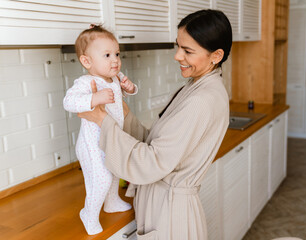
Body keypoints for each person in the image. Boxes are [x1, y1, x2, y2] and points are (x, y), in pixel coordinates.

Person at [78, 9, 232, 239]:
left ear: (216, 55)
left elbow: (151, 162)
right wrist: (119, 108)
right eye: (177, 46)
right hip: (166, 205)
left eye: (187, 51)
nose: (177, 56)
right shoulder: (196, 86)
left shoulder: (202, 99)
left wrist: (102, 119)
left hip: (169, 214)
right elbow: (156, 144)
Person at [63, 25, 137, 235]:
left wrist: (130, 89)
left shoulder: (115, 78)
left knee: (114, 171)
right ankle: (89, 213)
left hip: (111, 139)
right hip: (91, 144)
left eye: (117, 54)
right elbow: (69, 102)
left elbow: (126, 92)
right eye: (107, 55)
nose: (115, 60)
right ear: (87, 61)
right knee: (101, 178)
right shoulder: (86, 82)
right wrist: (95, 98)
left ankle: (111, 202)